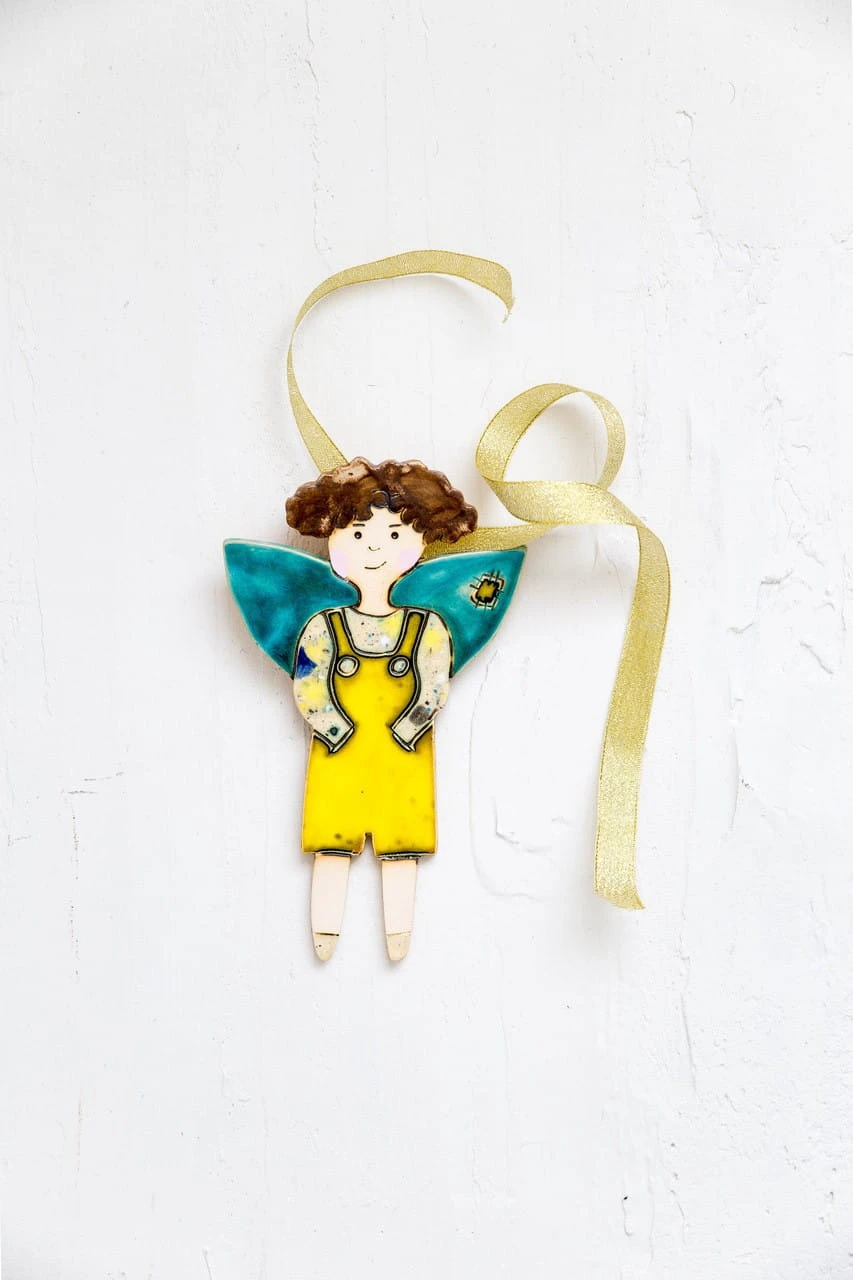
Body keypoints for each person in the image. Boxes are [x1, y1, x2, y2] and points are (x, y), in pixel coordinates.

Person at [285, 458, 477, 962]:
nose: (374, 548)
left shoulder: (427, 628)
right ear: (332, 540)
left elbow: (433, 685)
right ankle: (325, 932)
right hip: (339, 756)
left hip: (402, 757)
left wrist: (409, 729)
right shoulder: (323, 627)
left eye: (393, 534)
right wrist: (334, 730)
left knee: (400, 849)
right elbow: (309, 684)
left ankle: (399, 935)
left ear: (419, 543)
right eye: (357, 533)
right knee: (331, 847)